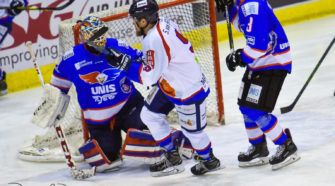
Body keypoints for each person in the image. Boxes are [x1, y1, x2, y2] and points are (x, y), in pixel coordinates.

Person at [106, 0, 221, 177]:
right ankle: (172, 155)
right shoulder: (162, 24)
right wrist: (133, 61)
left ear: (144, 21)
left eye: (135, 19)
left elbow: (148, 78)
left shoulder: (154, 39)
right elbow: (156, 63)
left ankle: (209, 160)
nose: (133, 23)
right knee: (149, 115)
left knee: (193, 133)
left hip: (188, 90)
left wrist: (126, 67)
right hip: (170, 84)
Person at [49, 15, 150, 173]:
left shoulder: (118, 46)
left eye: (102, 33)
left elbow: (144, 63)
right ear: (85, 38)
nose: (101, 39)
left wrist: (130, 64)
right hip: (100, 121)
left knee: (152, 141)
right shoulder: (71, 59)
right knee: (104, 162)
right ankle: (98, 140)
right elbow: (57, 88)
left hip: (128, 107)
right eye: (96, 36)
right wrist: (53, 106)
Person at [216, 0, 300, 170]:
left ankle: (286, 145)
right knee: (245, 106)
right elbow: (243, 26)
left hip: (273, 62)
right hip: (260, 62)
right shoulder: (243, 4)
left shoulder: (252, 6)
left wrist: (241, 57)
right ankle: (259, 147)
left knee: (255, 110)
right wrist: (230, 9)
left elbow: (259, 45)